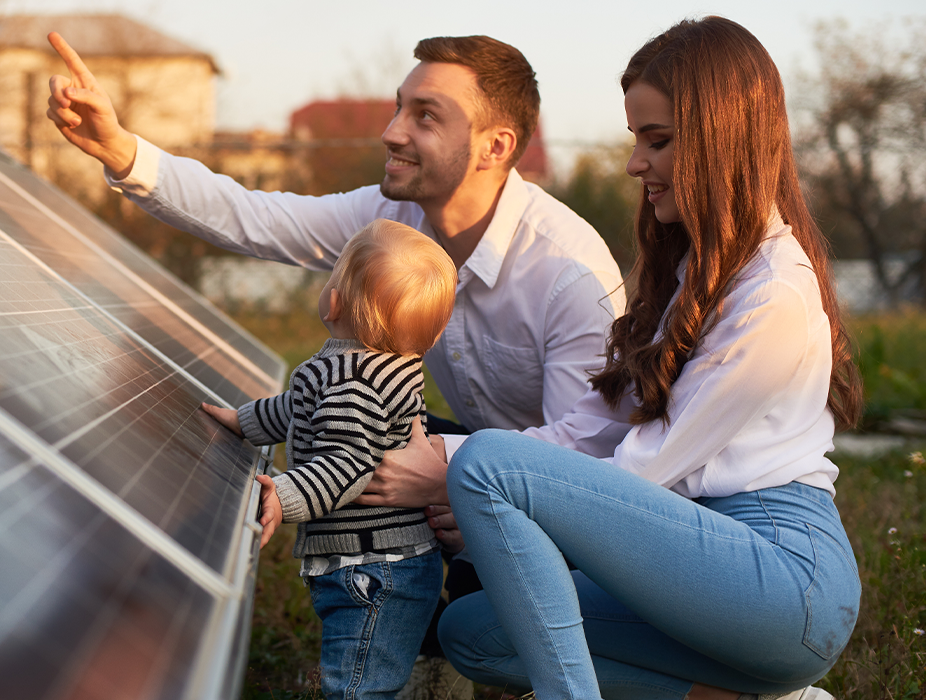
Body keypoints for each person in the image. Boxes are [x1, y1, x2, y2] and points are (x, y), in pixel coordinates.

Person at [362, 16, 862, 700]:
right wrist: (452, 471)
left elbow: (645, 471)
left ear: (723, 140)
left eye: (656, 142)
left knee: (488, 464)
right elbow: (589, 428)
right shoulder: (700, 274)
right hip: (695, 561)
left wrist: (472, 486)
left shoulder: (772, 295)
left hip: (779, 581)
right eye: (637, 140)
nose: (635, 164)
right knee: (476, 631)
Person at [45, 29, 625, 616]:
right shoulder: (393, 218)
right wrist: (121, 151)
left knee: (478, 625)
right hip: (466, 462)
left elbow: (587, 450)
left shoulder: (567, 273)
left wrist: (452, 469)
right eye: (400, 105)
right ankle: (386, 616)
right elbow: (259, 217)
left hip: (567, 504)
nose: (392, 131)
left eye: (425, 116)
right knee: (353, 434)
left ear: (495, 147)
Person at [203, 219, 457, 700]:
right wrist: (244, 421)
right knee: (361, 678)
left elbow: (345, 463)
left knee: (356, 688)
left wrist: (287, 494)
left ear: (332, 300)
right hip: (383, 565)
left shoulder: (353, 384)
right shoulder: (373, 367)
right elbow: (296, 408)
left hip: (373, 569)